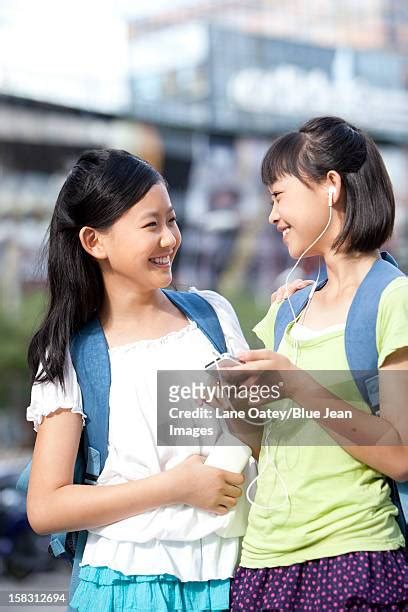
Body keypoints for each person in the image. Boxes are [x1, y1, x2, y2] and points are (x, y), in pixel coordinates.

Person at [25, 149, 255, 612]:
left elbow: (257, 433)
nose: (170, 238)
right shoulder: (72, 352)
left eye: (172, 220)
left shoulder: (214, 316)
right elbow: (45, 508)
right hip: (125, 584)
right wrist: (178, 486)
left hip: (233, 574)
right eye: (151, 225)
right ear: (95, 241)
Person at [230, 116, 408, 610]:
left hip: (352, 555)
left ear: (331, 186)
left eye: (279, 195)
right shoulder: (287, 308)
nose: (272, 215)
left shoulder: (395, 300)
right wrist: (236, 404)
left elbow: (400, 453)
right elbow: (267, 450)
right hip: (262, 561)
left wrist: (299, 385)